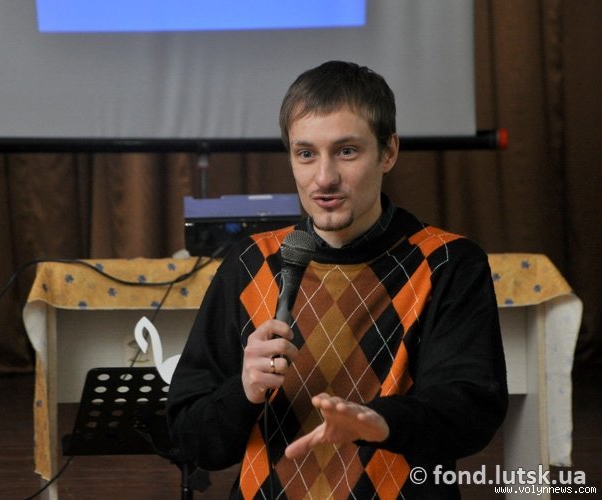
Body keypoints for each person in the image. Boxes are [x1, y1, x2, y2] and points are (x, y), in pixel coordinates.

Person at [166, 60, 508, 499]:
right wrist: (244, 391)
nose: (324, 179)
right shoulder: (251, 263)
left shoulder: (446, 263)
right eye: (306, 154)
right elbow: (194, 441)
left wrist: (380, 423)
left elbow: (471, 414)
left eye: (347, 151)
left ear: (388, 152)